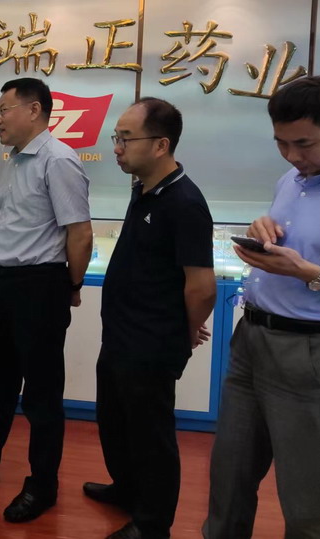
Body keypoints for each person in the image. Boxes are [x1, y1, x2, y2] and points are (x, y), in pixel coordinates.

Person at [0, 78, 93, 524]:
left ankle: (43, 485)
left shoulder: (58, 160)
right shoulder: (16, 160)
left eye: (4, 110)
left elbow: (79, 232)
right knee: (0, 378)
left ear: (35, 110)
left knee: (42, 393)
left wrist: (72, 284)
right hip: (8, 282)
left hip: (41, 286)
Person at [84, 98, 216, 539]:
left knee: (150, 435)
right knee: (115, 422)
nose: (117, 147)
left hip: (151, 344)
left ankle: (152, 524)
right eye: (116, 137)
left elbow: (202, 287)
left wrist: (182, 331)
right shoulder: (143, 189)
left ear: (161, 144)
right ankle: (127, 489)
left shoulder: (185, 202)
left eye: (126, 138)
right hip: (121, 336)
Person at [204, 77, 320, 539]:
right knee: (228, 479)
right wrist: (264, 228)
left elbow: (306, 266)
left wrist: (305, 271)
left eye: (303, 144)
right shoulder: (290, 180)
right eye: (280, 143)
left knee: (307, 501)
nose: (292, 155)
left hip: (306, 353)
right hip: (251, 342)